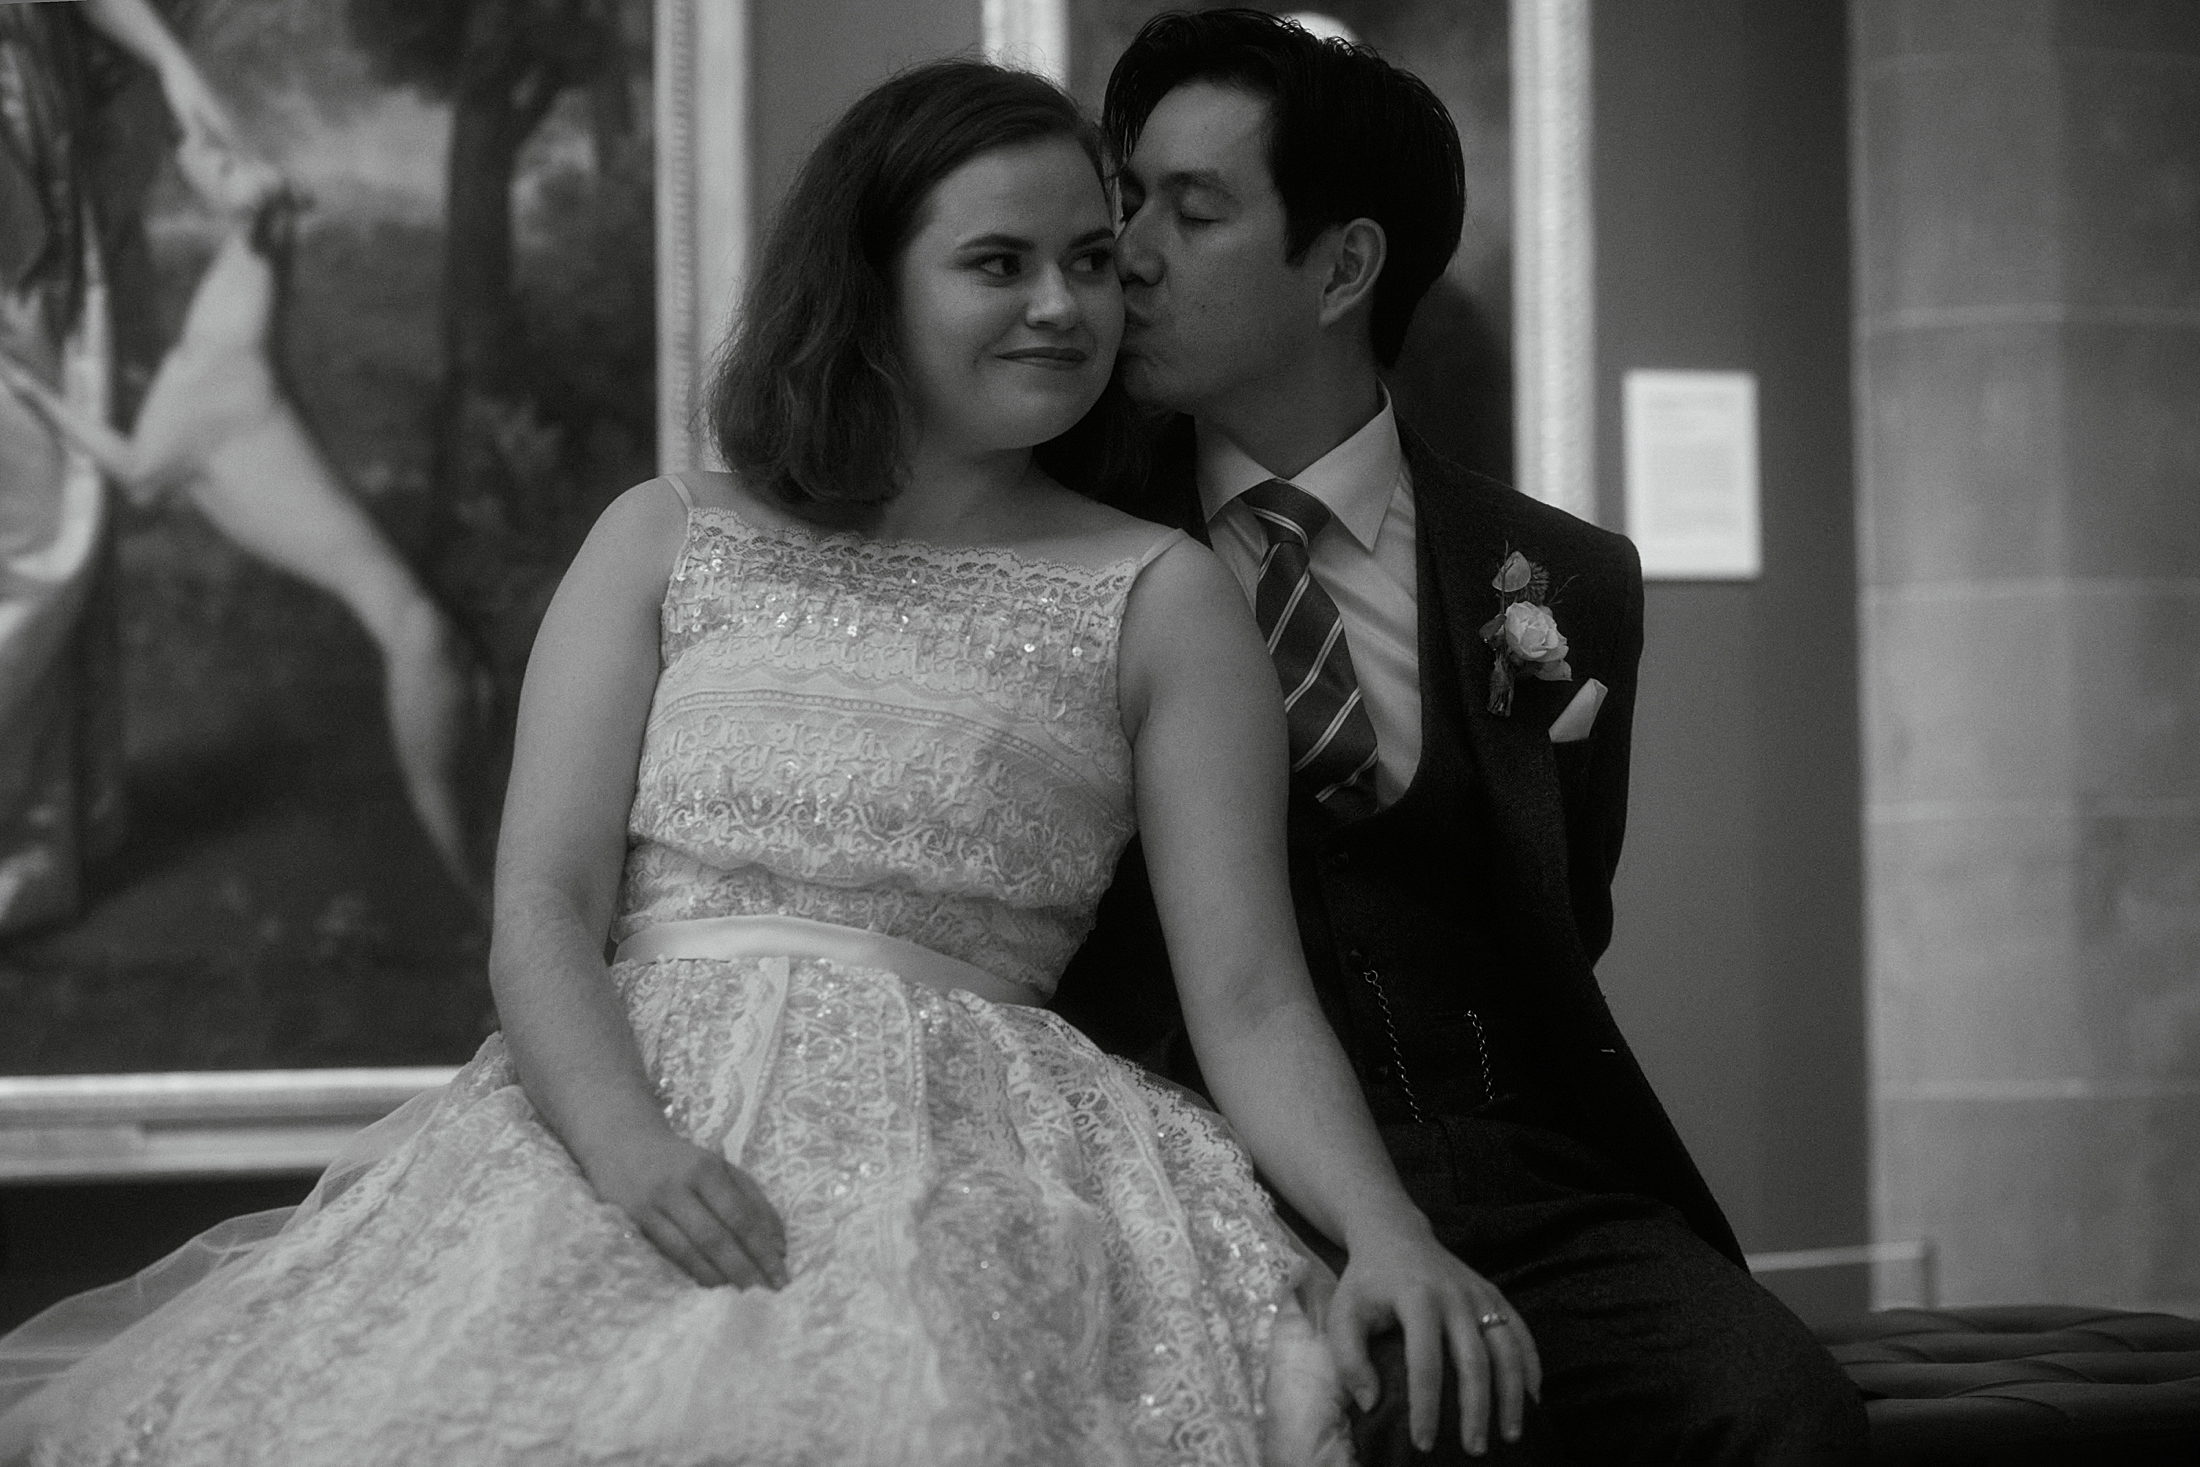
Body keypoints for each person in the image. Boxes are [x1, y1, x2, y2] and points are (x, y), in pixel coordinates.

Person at [0, 60, 1531, 1466]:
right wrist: (627, 1147)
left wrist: (1385, 1226)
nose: (1066, 304)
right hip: (605, 1126)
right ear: (868, 285)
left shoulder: (1163, 594)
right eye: (998, 263)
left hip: (972, 1170)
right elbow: (540, 897)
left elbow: (1252, 994)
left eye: (1090, 259)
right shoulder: (667, 533)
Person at [1052, 12, 1868, 1465]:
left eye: (1193, 210)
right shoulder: (1070, 544)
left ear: (1346, 266)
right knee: (1397, 1427)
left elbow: (1570, 903)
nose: (1132, 253)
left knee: (1779, 1409)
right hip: (1209, 1173)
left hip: (1540, 1176)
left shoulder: (1564, 579)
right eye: (1127, 201)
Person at [1, 136, 488, 901]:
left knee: (450, 824)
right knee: (465, 822)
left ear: (256, 212)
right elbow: (159, 475)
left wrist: (33, 393)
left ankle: (491, 937)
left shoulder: (226, 376)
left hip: (415, 633)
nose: (208, 161)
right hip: (418, 626)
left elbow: (136, 473)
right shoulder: (218, 360)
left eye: (229, 168)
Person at [0, 0, 252, 935]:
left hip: (33, 148)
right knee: (32, 526)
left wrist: (170, 63)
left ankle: (31, 844)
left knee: (46, 509)